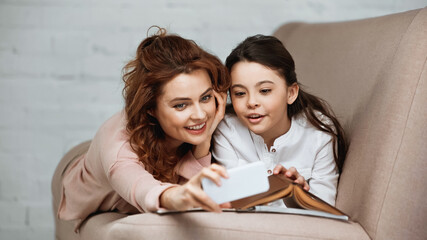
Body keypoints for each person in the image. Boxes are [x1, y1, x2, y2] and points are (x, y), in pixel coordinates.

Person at [56, 28, 231, 231]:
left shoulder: (205, 125)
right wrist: (176, 196)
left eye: (205, 97)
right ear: (151, 109)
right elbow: (141, 187)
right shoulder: (119, 149)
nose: (200, 115)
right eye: (181, 105)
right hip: (84, 167)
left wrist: (204, 138)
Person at [212, 34, 347, 206]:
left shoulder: (320, 134)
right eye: (239, 93)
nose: (252, 102)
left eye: (265, 90)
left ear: (291, 93)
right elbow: (229, 203)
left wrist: (298, 197)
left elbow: (325, 210)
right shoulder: (226, 130)